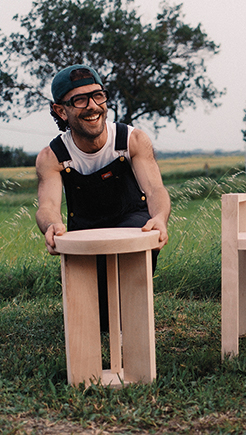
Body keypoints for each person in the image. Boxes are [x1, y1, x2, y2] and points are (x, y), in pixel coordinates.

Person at [35, 64, 171, 329]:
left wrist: (160, 218)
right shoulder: (52, 156)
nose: (93, 106)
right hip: (85, 232)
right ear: (60, 110)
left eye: (98, 95)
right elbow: (47, 206)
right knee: (92, 319)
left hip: (132, 224)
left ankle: (132, 311)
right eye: (79, 100)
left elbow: (155, 190)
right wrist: (51, 225)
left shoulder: (131, 140)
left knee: (126, 312)